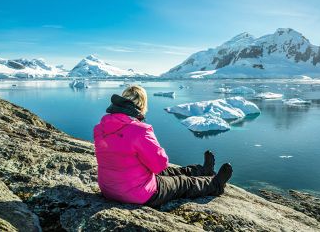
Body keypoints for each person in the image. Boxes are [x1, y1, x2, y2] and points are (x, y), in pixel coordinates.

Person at [93, 85, 233, 207]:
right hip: (137, 194)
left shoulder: (100, 128)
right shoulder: (139, 130)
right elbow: (159, 165)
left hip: (109, 189)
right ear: (141, 105)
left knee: (168, 173)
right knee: (182, 182)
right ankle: (216, 185)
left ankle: (202, 170)